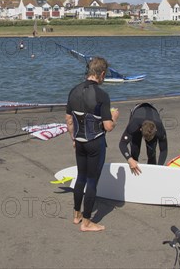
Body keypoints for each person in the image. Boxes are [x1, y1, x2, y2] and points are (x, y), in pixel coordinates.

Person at [65, 57, 119, 232]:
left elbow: (69, 120)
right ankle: (87, 222)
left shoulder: (73, 90)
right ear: (102, 74)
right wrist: (115, 118)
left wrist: (74, 139)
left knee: (80, 177)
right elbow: (108, 127)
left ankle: (76, 215)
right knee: (92, 181)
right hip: (95, 142)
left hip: (79, 142)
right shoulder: (102, 95)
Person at [118, 103, 168, 175]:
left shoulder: (159, 128)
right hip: (138, 114)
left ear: (156, 130)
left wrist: (159, 167)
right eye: (146, 138)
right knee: (135, 150)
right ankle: (135, 172)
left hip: (153, 113)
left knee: (151, 153)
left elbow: (164, 150)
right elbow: (122, 144)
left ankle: (151, 175)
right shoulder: (134, 125)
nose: (147, 140)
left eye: (150, 138)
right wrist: (129, 159)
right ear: (141, 129)